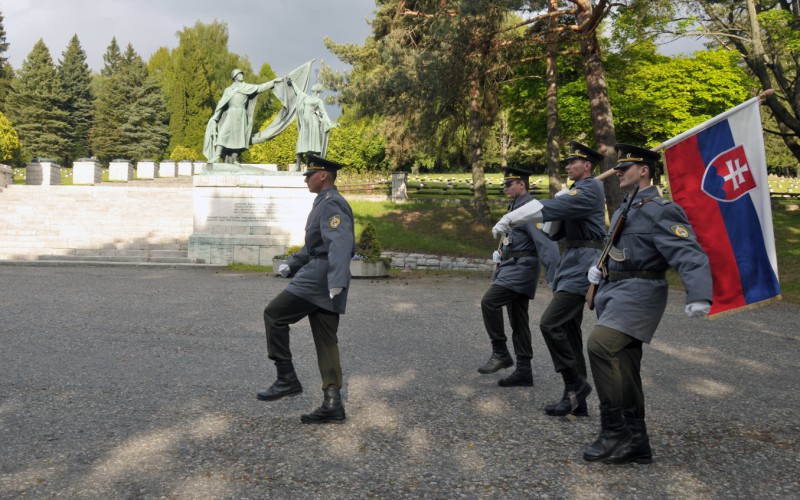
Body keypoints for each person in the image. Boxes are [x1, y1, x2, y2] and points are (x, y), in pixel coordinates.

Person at [582, 143, 712, 463]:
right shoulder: (626, 207)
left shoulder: (661, 209)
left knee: (600, 346)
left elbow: (688, 252)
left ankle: (614, 431)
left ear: (644, 171)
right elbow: (620, 249)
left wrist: (699, 294)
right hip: (616, 292)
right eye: (619, 167)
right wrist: (601, 269)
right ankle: (638, 442)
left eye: (626, 167)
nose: (619, 172)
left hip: (641, 293)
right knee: (625, 367)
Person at [492, 142, 606, 417]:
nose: (567, 167)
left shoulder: (591, 189)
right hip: (573, 259)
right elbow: (551, 231)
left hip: (584, 263)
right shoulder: (577, 191)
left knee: (550, 323)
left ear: (587, 166)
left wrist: (511, 217)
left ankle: (576, 384)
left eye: (572, 163)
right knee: (568, 330)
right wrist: (564, 198)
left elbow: (546, 211)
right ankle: (576, 400)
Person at [257, 154, 355, 424]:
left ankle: (286, 378)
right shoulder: (323, 202)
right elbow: (316, 245)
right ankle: (333, 403)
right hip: (321, 273)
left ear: (323, 176)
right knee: (326, 341)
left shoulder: (332, 202)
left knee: (274, 314)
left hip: (321, 277)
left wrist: (336, 280)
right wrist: (293, 262)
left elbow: (339, 244)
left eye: (309, 174)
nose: (306, 178)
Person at [477, 167, 560, 387]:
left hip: (521, 270)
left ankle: (500, 352)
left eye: (509, 184)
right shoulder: (516, 206)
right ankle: (524, 370)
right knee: (519, 320)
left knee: (489, 302)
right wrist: (502, 253)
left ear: (522, 184)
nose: (505, 188)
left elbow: (546, 244)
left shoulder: (530, 209)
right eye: (505, 184)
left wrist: (554, 276)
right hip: (511, 266)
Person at [203, 69, 282, 163]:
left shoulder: (246, 87)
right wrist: (215, 118)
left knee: (239, 138)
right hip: (231, 114)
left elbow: (260, 88)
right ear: (235, 77)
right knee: (222, 134)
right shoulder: (228, 90)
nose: (242, 75)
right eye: (239, 74)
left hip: (241, 115)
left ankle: (234, 159)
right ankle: (217, 156)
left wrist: (273, 82)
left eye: (241, 74)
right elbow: (221, 103)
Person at [289, 82, 338, 167]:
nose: (313, 85)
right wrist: (292, 82)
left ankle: (312, 165)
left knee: (312, 146)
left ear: (317, 89)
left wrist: (330, 123)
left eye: (315, 85)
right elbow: (298, 92)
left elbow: (324, 113)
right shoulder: (306, 97)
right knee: (300, 144)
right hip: (305, 124)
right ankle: (297, 166)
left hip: (313, 123)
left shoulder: (318, 101)